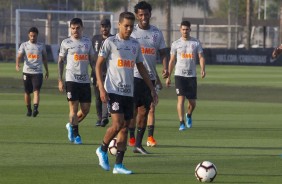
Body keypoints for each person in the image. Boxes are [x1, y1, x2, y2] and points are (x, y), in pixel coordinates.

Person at [95, 11, 157, 174]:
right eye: (126, 26)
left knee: (125, 128)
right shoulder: (110, 42)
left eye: (131, 26)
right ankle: (102, 149)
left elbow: (141, 67)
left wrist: (152, 88)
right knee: (117, 124)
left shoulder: (135, 45)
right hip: (113, 90)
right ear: (119, 25)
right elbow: (98, 65)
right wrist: (101, 87)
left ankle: (119, 165)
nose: (129, 29)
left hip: (129, 93)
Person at [127, 1, 168, 153]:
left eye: (146, 14)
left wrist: (164, 68)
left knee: (145, 111)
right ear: (137, 16)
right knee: (131, 111)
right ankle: (128, 138)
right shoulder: (131, 32)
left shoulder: (157, 33)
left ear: (150, 14)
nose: (144, 17)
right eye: (141, 15)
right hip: (133, 76)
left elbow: (163, 52)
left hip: (149, 78)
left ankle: (138, 144)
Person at [58, 18, 95, 144]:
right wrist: (60, 80)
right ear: (70, 29)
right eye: (72, 28)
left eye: (77, 28)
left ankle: (71, 126)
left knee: (86, 109)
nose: (75, 30)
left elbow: (92, 60)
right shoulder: (66, 42)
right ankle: (77, 135)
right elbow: (60, 61)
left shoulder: (87, 42)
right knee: (73, 109)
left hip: (84, 80)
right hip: (71, 79)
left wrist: (96, 73)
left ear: (82, 28)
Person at [166, 20, 206, 131]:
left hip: (191, 76)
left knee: (192, 103)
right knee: (181, 100)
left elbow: (201, 57)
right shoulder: (175, 44)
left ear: (190, 29)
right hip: (179, 75)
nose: (185, 31)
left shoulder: (195, 43)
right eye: (183, 29)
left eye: (187, 29)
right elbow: (172, 60)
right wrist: (168, 76)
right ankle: (181, 122)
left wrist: (203, 69)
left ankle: (188, 115)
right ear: (180, 30)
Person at [16, 27, 49, 117]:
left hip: (38, 72)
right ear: (28, 35)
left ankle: (35, 109)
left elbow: (45, 59)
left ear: (37, 35)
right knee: (27, 92)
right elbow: (19, 56)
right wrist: (17, 64)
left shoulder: (41, 46)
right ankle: (29, 109)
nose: (32, 37)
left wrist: (47, 70)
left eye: (34, 36)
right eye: (31, 36)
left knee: (36, 91)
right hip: (27, 72)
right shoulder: (24, 45)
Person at [91, 19, 113, 127]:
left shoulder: (113, 39)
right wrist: (93, 70)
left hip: (108, 72)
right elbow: (91, 56)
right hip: (96, 72)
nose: (104, 28)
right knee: (97, 96)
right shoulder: (95, 39)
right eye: (103, 26)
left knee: (105, 94)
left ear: (110, 27)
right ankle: (99, 118)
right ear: (100, 27)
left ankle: (104, 118)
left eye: (106, 26)